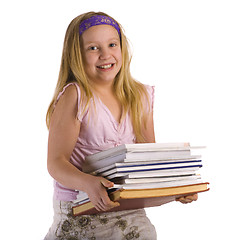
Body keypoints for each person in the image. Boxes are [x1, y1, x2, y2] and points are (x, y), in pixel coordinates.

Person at [44, 11, 197, 240]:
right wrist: (89, 183)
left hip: (128, 208)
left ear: (122, 49)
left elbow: (148, 160)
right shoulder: (76, 96)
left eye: (112, 44)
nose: (106, 55)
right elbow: (56, 163)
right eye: (93, 48)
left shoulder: (140, 96)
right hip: (80, 212)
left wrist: (177, 188)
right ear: (76, 55)